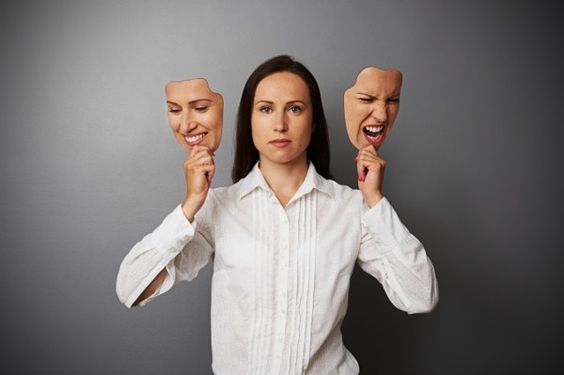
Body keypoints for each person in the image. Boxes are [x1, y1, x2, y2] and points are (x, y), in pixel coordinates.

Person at [116, 55, 438, 375]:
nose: (280, 124)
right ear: (250, 119)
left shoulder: (350, 208)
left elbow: (421, 296)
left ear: (313, 121)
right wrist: (191, 204)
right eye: (266, 109)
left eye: (295, 108)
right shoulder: (218, 207)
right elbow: (131, 288)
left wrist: (375, 201)